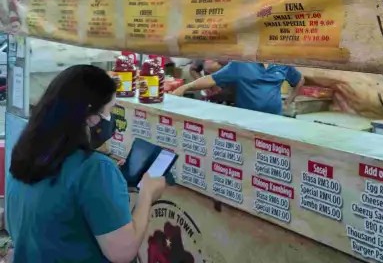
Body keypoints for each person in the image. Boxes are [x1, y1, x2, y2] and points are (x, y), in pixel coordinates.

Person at [7, 65, 167, 263]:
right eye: (109, 111)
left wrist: (108, 184)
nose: (110, 120)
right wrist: (147, 196)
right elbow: (122, 252)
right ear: (90, 117)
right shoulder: (94, 169)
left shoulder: (25, 153)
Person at [171, 61, 304, 115]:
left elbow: (299, 80)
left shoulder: (282, 64)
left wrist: (288, 102)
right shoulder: (240, 64)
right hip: (246, 120)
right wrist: (185, 87)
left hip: (275, 119)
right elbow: (211, 79)